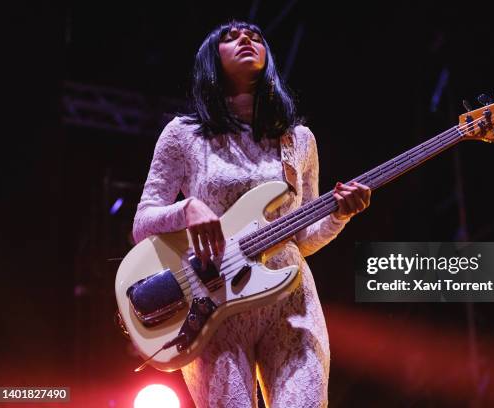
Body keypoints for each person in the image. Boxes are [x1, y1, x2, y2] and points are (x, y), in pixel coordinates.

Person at [132, 20, 371, 408]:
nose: (246, 38)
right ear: (212, 60)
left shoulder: (299, 140)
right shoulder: (183, 135)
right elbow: (143, 222)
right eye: (231, 36)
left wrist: (340, 215)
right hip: (214, 303)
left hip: (289, 299)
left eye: (255, 35)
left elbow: (303, 238)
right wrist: (187, 209)